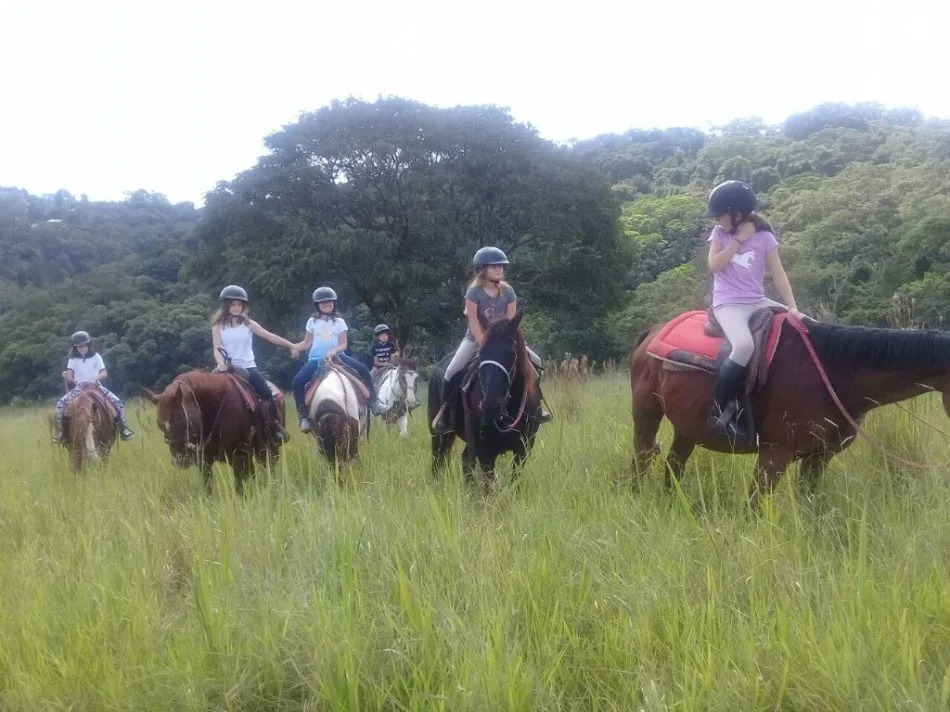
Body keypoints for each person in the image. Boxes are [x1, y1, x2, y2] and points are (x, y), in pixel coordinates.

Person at [704, 180, 801, 440]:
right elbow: (714, 266)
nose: (716, 219)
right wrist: (738, 241)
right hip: (728, 303)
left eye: (719, 214)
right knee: (744, 346)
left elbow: (778, 273)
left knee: (807, 325)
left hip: (757, 300)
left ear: (737, 214)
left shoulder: (765, 237)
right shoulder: (720, 233)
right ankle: (718, 411)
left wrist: (792, 307)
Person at [432, 246, 551, 433]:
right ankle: (445, 412)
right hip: (476, 339)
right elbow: (473, 321)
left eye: (501, 266)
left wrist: (506, 343)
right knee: (451, 371)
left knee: (536, 363)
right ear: (482, 269)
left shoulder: (508, 292)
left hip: (504, 341)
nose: (499, 270)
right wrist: (484, 345)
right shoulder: (473, 292)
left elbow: (511, 323)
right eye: (494, 267)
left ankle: (537, 407)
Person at [291, 287, 390, 433]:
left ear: (334, 303)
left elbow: (343, 344)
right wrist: (296, 348)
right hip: (316, 360)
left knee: (363, 369)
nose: (327, 304)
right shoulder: (312, 322)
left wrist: (334, 351)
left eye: (329, 302)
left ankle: (374, 402)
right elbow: (307, 342)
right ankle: (304, 416)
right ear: (317, 305)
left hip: (338, 357)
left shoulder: (339, 322)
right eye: (323, 302)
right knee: (297, 380)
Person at [211, 285, 295, 446]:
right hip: (226, 367)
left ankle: (274, 427)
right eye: (233, 304)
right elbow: (217, 348)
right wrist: (221, 364)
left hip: (248, 367)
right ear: (226, 305)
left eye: (240, 304)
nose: (237, 307)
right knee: (208, 394)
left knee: (267, 394)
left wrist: (291, 345)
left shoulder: (248, 324)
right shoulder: (218, 326)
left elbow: (269, 336)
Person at [52, 331, 135, 443]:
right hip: (80, 387)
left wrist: (95, 378)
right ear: (76, 348)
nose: (83, 348)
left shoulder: (96, 356)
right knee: (60, 404)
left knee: (118, 402)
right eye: (80, 346)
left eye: (85, 345)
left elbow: (104, 373)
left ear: (88, 345)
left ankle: (123, 428)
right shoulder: (72, 359)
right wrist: (66, 375)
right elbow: (70, 378)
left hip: (96, 386)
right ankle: (61, 432)